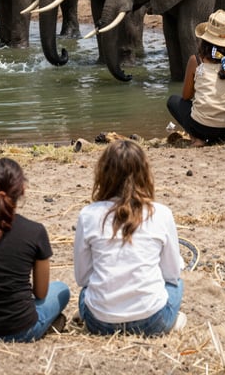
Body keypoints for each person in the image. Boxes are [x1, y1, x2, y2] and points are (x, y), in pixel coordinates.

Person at [74, 139, 186, 336]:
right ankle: (172, 321)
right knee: (176, 284)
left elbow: (82, 277)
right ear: (145, 174)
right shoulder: (161, 213)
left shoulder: (88, 214)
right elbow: (171, 273)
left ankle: (92, 313)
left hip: (100, 323)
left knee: (85, 292)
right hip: (152, 321)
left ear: (103, 174)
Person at [0, 158, 70, 341]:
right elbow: (40, 293)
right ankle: (46, 325)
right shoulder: (35, 231)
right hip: (20, 329)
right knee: (62, 289)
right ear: (22, 189)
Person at [166, 10, 225, 146]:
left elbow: (186, 96)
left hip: (202, 128)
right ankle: (220, 139)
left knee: (173, 101)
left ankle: (197, 138)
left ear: (206, 39)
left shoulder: (196, 61)